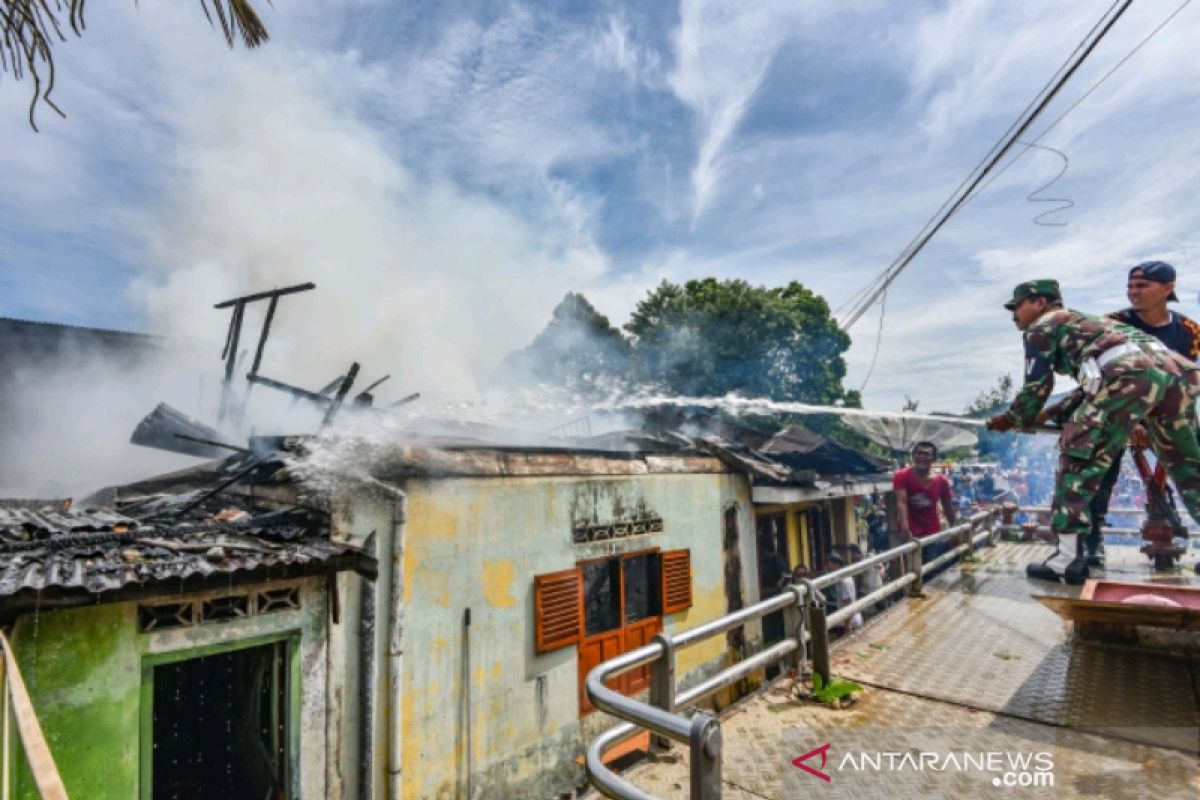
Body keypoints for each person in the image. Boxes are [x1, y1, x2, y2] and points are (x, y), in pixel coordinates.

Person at [986, 279, 1200, 584]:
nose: (1013, 314)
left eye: (1017, 305)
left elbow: (1037, 386)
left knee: (1076, 458)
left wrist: (1015, 418)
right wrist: (1055, 413)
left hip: (1133, 373)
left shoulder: (1042, 327)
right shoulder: (1088, 323)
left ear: (1041, 303)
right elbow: (1097, 381)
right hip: (1179, 373)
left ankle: (1066, 561)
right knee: (1189, 469)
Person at [1083, 261, 1200, 566]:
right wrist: (1131, 419)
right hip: (1115, 407)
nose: (1133, 292)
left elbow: (1182, 380)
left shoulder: (1189, 331)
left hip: (1167, 409)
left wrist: (1151, 422)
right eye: (1130, 286)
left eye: (1142, 286)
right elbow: (1099, 375)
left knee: (1193, 469)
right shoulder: (1112, 323)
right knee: (1098, 468)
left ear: (1168, 289)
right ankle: (1091, 540)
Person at [893, 441, 957, 564]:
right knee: (913, 568)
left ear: (933, 458)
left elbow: (947, 508)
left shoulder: (942, 481)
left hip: (932, 531)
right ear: (913, 456)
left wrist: (955, 528)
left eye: (926, 454)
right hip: (910, 532)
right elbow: (901, 502)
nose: (922, 457)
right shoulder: (901, 476)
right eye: (919, 453)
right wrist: (905, 529)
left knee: (931, 567)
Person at [827, 552, 863, 635]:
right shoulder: (842, 579)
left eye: (829, 565)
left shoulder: (844, 581)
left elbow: (848, 603)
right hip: (845, 621)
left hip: (849, 622)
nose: (828, 569)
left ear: (836, 565)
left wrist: (847, 625)